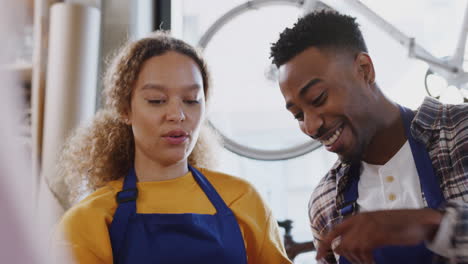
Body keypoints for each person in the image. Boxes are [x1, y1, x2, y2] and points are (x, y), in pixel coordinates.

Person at [56, 32, 291, 264]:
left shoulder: (242, 199)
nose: (178, 115)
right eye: (156, 100)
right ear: (125, 110)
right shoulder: (89, 220)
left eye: (191, 100)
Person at [270, 10, 468, 264]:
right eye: (298, 115)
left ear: (364, 70)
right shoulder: (325, 202)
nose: (311, 126)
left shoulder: (461, 133)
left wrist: (435, 226)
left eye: (318, 99)